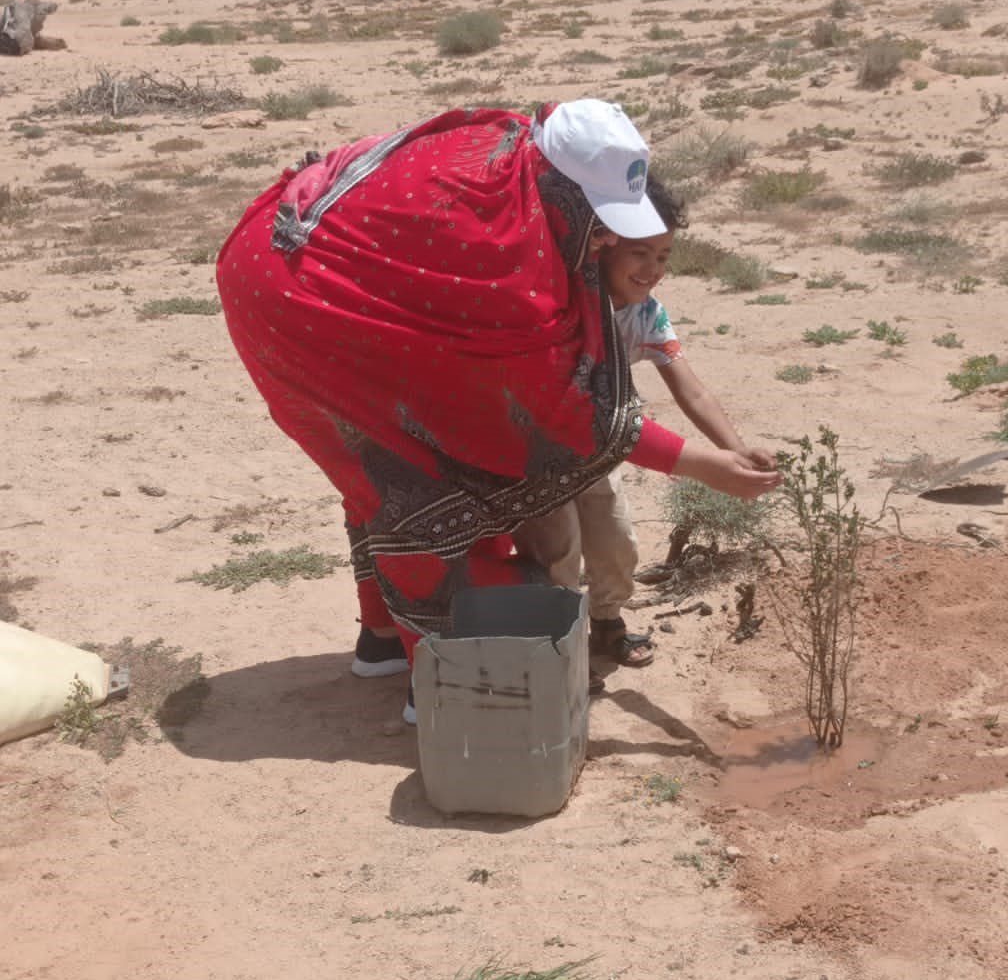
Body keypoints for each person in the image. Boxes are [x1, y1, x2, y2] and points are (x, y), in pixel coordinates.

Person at [215, 98, 779, 717]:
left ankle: (380, 640)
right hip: (298, 299)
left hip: (316, 267)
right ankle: (435, 681)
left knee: (397, 469)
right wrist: (705, 466)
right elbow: (566, 413)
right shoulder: (513, 257)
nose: (614, 238)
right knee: (414, 477)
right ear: (564, 188)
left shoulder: (522, 156)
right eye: (604, 222)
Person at [541, 174, 774, 673]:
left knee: (617, 544)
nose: (652, 270)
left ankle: (607, 623)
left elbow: (691, 389)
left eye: (664, 257)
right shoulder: (564, 306)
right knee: (557, 556)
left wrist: (735, 450)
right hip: (540, 461)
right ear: (603, 247)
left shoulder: (646, 314)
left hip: (599, 454)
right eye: (639, 253)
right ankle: (561, 660)